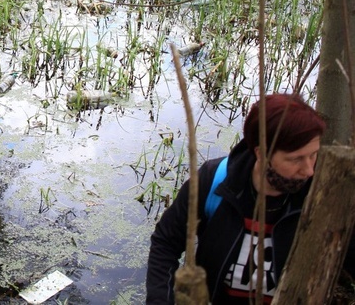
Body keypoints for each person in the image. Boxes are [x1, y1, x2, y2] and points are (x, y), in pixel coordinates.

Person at [146, 93, 355, 304]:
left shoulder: (324, 197)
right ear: (261, 153)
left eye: (313, 155)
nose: (309, 170)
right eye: (296, 159)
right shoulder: (214, 181)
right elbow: (166, 243)